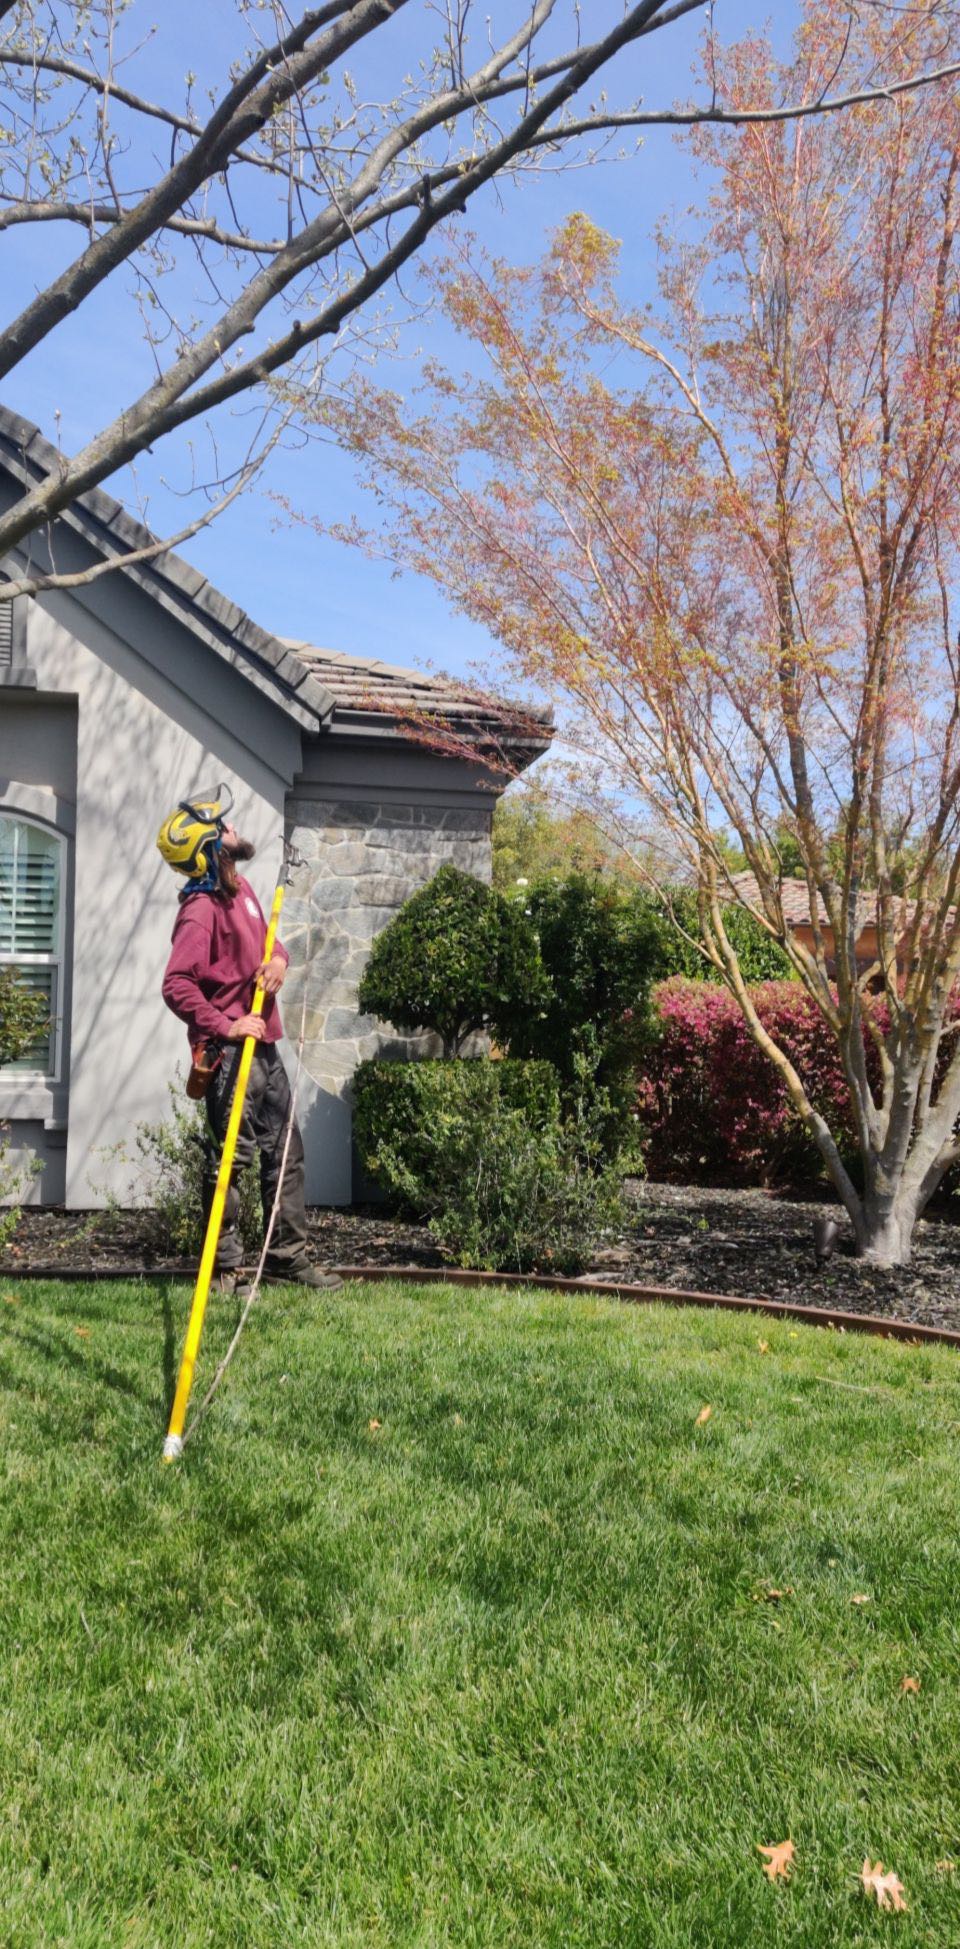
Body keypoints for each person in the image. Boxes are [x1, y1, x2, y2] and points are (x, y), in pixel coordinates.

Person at [156, 784, 341, 1293]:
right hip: (232, 1053)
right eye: (225, 827)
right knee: (230, 1160)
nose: (234, 829)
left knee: (286, 1151)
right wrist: (225, 1023)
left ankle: (286, 1258)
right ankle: (224, 1269)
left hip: (265, 1047)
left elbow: (269, 938)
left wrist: (278, 960)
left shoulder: (242, 891)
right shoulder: (200, 910)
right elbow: (176, 984)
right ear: (212, 846)